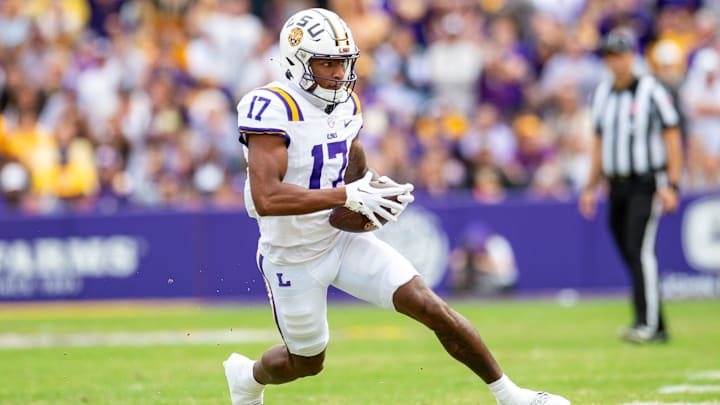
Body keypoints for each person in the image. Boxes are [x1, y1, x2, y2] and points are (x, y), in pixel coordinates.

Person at [224, 8, 570, 405]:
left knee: (429, 305)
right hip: (291, 256)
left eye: (343, 63)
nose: (338, 74)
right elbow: (267, 198)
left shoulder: (345, 104)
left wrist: (371, 184)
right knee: (306, 361)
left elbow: (349, 153)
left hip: (338, 239)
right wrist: (347, 196)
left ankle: (512, 396)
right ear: (296, 60)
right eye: (327, 63)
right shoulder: (270, 107)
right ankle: (248, 379)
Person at [579, 29, 683, 344]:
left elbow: (672, 136)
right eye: (611, 55)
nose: (616, 61)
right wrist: (590, 185)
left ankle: (648, 325)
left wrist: (673, 183)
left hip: (646, 182)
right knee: (629, 250)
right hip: (616, 186)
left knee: (639, 249)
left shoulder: (651, 89)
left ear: (632, 56)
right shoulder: (601, 94)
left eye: (621, 54)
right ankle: (653, 321)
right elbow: (598, 142)